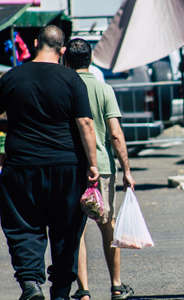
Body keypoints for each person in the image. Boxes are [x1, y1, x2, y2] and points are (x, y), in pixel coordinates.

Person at [0, 25, 99, 300]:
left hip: (21, 166)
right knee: (66, 228)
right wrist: (92, 165)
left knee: (23, 225)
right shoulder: (71, 79)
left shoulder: (11, 78)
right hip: (66, 166)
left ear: (35, 43)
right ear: (63, 50)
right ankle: (61, 291)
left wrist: (13, 125)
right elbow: (85, 123)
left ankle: (31, 283)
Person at [64, 38, 136, 300]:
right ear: (91, 59)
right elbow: (115, 135)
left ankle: (83, 291)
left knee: (77, 231)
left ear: (66, 61)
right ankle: (116, 286)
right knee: (108, 226)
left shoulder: (65, 88)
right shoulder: (105, 90)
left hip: (72, 166)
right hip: (103, 168)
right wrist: (127, 170)